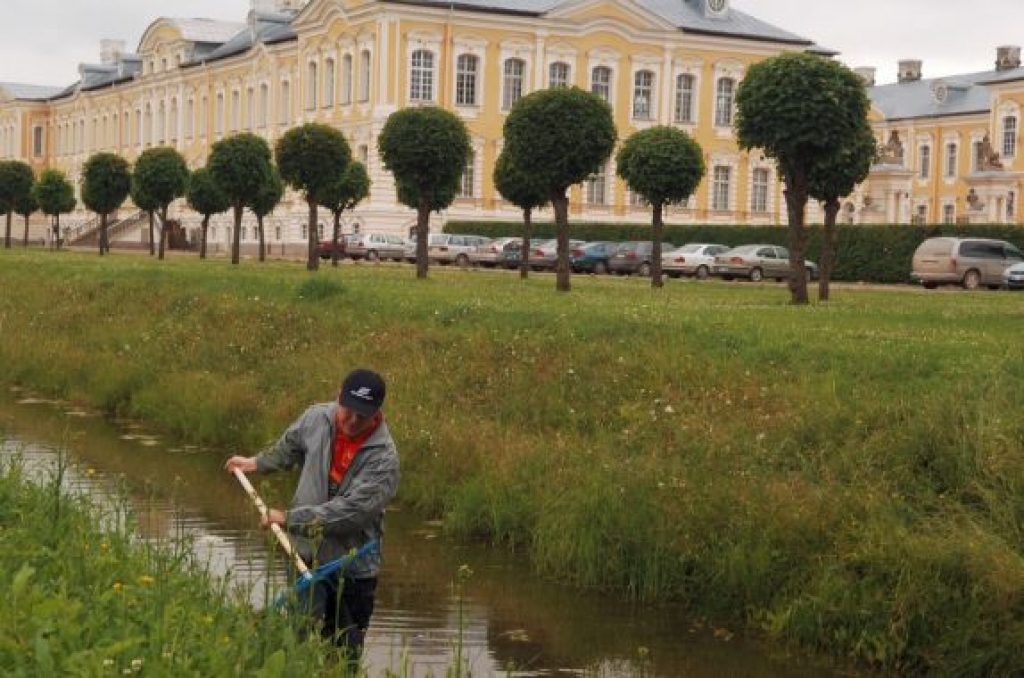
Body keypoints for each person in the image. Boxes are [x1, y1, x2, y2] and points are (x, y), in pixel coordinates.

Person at [224, 368, 399, 659]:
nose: (353, 421)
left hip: (352, 569)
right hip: (305, 556)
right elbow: (289, 447)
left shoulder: (384, 459)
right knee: (299, 641)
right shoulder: (316, 418)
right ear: (338, 396)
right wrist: (256, 463)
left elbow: (351, 514)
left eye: (362, 416)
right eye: (348, 410)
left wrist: (289, 518)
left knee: (343, 655)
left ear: (377, 413)